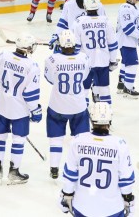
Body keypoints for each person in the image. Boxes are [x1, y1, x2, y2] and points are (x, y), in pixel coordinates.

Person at [60, 102, 135, 217]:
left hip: (82, 207)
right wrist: (128, 199)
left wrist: (66, 195)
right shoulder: (120, 144)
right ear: (110, 120)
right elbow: (126, 180)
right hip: (111, 209)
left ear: (92, 120)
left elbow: (70, 175)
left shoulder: (77, 141)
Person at [0, 33, 41, 184]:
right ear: (29, 48)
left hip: (0, 105)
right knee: (18, 140)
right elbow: (30, 94)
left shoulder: (3, 56)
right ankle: (14, 171)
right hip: (19, 110)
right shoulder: (32, 66)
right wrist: (35, 111)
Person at [43, 30, 91, 179]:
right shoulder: (84, 58)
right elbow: (84, 77)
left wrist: (57, 52)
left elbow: (50, 79)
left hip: (58, 106)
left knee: (56, 139)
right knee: (80, 139)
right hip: (78, 106)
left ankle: (54, 168)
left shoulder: (52, 59)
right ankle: (80, 168)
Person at [74, 0, 118, 104]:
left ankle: (83, 114)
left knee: (83, 90)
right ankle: (106, 112)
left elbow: (76, 46)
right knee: (104, 89)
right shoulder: (105, 21)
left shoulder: (79, 22)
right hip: (103, 61)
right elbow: (112, 43)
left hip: (86, 62)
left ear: (85, 6)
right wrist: (112, 60)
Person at [116, 0, 139, 98]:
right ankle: (128, 89)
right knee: (132, 64)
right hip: (125, 41)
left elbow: (136, 25)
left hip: (128, 41)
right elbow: (128, 28)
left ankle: (121, 84)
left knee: (126, 63)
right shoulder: (126, 9)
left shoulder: (132, 7)